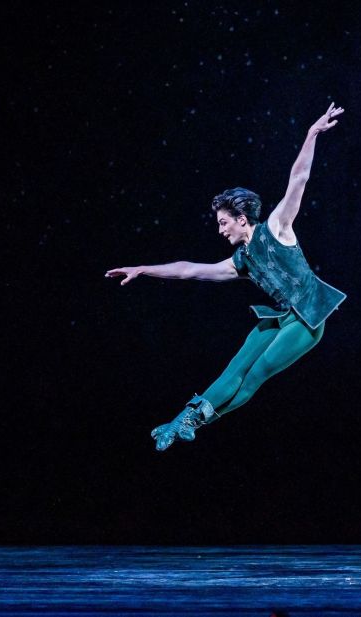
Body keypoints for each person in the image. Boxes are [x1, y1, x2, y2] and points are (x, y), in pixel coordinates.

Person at [105, 103, 346, 451]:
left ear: (241, 219)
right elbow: (189, 269)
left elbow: (298, 179)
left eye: (223, 222)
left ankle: (199, 421)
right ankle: (183, 420)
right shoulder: (240, 261)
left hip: (307, 318)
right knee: (233, 368)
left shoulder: (276, 228)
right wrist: (143, 269)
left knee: (256, 374)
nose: (220, 230)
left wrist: (311, 134)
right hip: (280, 317)